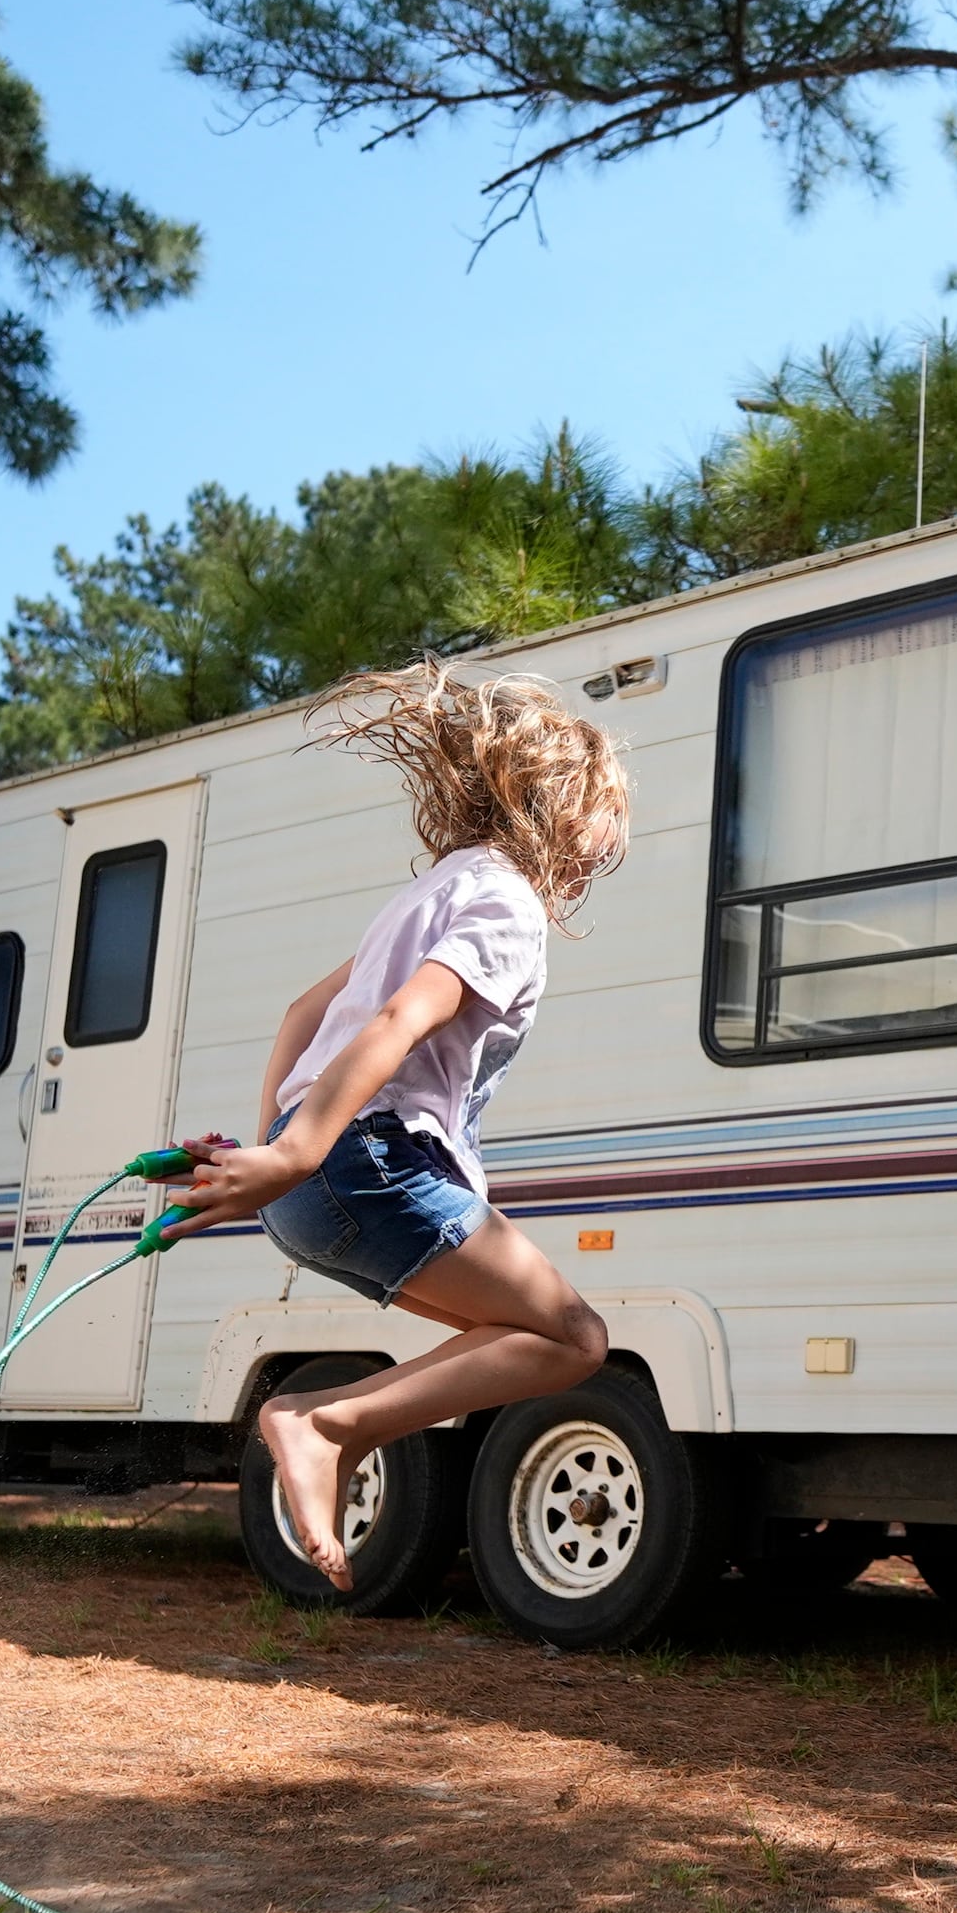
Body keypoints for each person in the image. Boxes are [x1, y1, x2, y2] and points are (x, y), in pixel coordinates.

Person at [158, 662, 629, 1591]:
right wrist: (292, 1155)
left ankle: (325, 1422)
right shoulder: (510, 902)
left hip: (322, 1181)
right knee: (575, 1338)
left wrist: (276, 1152)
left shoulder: (432, 890)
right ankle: (324, 1422)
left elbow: (302, 1012)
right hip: (367, 1162)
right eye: (608, 813)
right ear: (565, 807)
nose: (613, 836)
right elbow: (400, 1020)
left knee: (509, 1337)